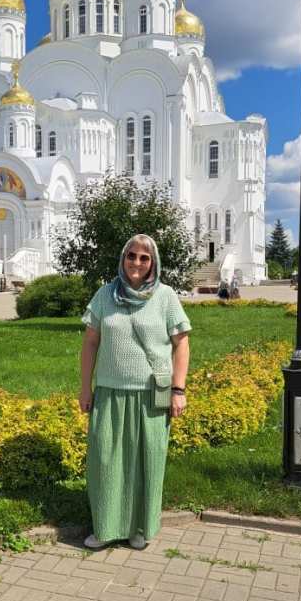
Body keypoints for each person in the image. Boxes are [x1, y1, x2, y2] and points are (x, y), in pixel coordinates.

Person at [79, 235, 191, 550]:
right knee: (105, 462)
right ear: (123, 258)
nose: (137, 263)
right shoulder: (105, 295)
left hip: (152, 394)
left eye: (144, 257)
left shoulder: (166, 297)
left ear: (152, 262)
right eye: (132, 256)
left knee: (147, 462)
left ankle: (139, 527)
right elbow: (90, 343)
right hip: (111, 392)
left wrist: (178, 389)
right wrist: (85, 387)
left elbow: (181, 343)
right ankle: (104, 528)